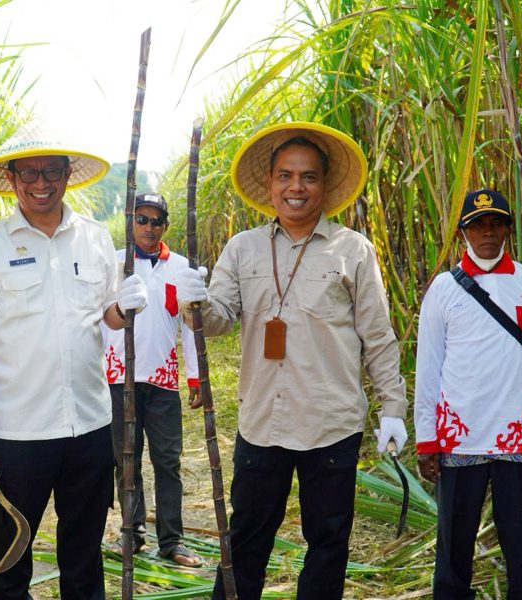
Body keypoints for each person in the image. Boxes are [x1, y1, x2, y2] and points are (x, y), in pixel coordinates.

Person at [175, 122, 408, 599]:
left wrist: (394, 409)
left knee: (327, 543)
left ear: (324, 184)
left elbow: (378, 336)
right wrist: (194, 303)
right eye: (285, 176)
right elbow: (220, 320)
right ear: (270, 183)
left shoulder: (353, 250)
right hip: (264, 421)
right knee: (246, 540)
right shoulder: (243, 248)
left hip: (331, 424)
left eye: (308, 177)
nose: (296, 187)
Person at [0, 123, 148, 599]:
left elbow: (105, 317)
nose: (41, 183)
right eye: (29, 173)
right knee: (11, 557)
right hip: (19, 433)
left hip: (90, 426)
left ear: (66, 175)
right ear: (13, 179)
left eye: (51, 172)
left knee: (83, 555)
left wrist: (126, 308)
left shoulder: (95, 238)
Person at [414, 188, 522, 599]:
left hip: (519, 435)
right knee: (453, 545)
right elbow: (427, 368)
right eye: (477, 224)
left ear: (507, 230)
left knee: (521, 543)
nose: (487, 232)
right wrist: (427, 440)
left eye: (496, 223)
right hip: (459, 436)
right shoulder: (443, 289)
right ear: (464, 232)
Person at [102, 192, 203, 567]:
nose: (148, 227)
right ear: (131, 221)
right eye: (141, 219)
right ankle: (131, 534)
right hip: (117, 378)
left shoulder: (180, 267)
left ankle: (172, 540)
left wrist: (196, 378)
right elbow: (98, 319)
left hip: (162, 381)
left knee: (167, 461)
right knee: (126, 460)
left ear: (165, 226)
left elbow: (192, 327)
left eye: (155, 220)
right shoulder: (113, 264)